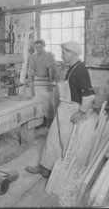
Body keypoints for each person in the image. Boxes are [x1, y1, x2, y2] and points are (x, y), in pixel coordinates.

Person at [26, 41, 95, 178]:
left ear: (72, 53)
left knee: (67, 143)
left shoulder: (80, 70)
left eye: (64, 53)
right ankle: (46, 167)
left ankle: (68, 173)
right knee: (53, 138)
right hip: (64, 108)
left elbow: (89, 96)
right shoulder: (72, 68)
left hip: (71, 111)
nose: (62, 56)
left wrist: (80, 112)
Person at [25, 39, 56, 126]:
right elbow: (31, 68)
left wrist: (51, 80)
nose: (38, 49)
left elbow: (52, 68)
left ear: (44, 46)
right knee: (38, 103)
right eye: (36, 48)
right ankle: (40, 121)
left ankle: (50, 121)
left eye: (40, 47)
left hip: (47, 81)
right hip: (37, 81)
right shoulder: (33, 56)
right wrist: (29, 78)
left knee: (49, 103)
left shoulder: (49, 55)